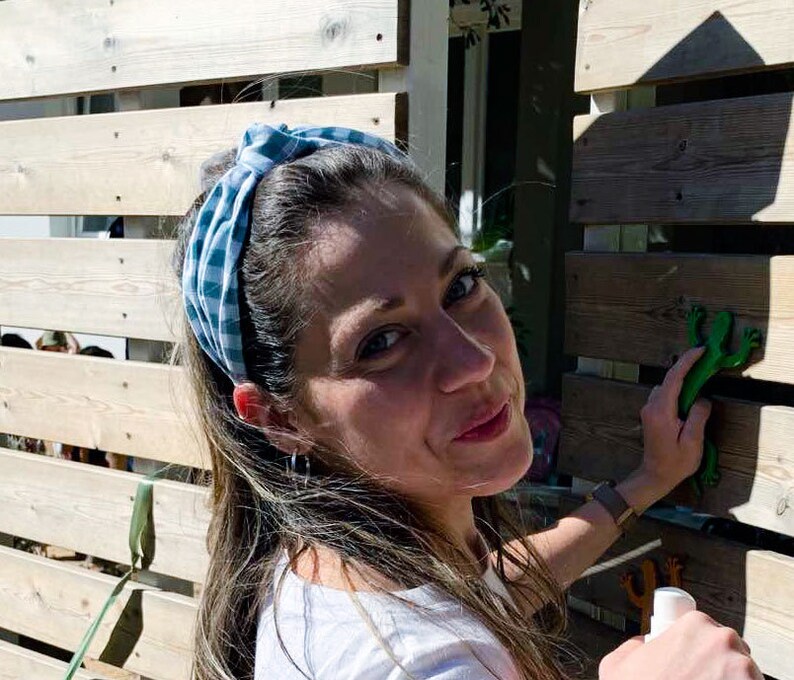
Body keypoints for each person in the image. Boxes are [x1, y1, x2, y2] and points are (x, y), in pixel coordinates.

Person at [173, 124, 762, 680]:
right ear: (281, 419)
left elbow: (487, 592)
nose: (474, 360)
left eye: (460, 286)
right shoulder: (413, 664)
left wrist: (647, 482)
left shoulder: (341, 570)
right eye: (380, 342)